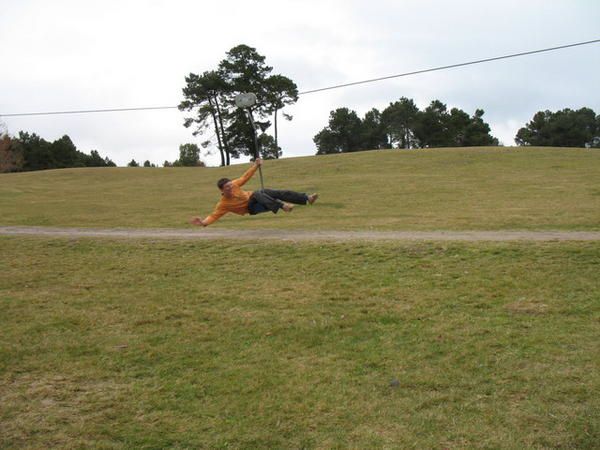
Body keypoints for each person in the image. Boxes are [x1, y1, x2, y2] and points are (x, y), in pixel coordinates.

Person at [191, 158, 318, 227]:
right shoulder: (223, 204)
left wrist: (256, 165)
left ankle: (307, 198)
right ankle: (282, 206)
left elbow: (245, 177)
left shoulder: (235, 184)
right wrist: (203, 223)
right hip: (252, 208)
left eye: (230, 185)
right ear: (222, 190)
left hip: (259, 198)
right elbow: (214, 216)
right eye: (227, 188)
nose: (230, 188)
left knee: (277, 192)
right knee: (257, 193)